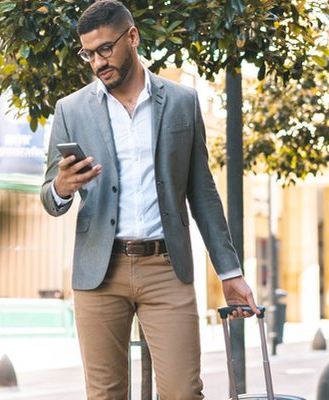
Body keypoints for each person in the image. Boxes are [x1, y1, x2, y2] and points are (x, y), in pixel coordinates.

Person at [40, 1, 259, 398]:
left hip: (166, 269)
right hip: (99, 274)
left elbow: (203, 193)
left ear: (132, 37)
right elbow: (50, 195)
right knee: (105, 394)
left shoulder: (181, 102)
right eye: (89, 53)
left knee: (184, 392)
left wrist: (230, 272)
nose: (98, 62)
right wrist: (62, 187)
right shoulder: (70, 110)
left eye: (105, 49)